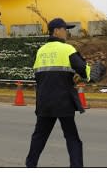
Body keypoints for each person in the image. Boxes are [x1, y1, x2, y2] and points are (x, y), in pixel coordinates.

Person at [26, 18, 91, 168]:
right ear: (56, 31)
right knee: (72, 138)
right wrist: (88, 73)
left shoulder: (40, 51)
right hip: (64, 102)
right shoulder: (67, 49)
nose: (66, 32)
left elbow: (38, 75)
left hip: (44, 102)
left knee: (39, 137)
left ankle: (30, 165)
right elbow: (83, 70)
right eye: (64, 29)